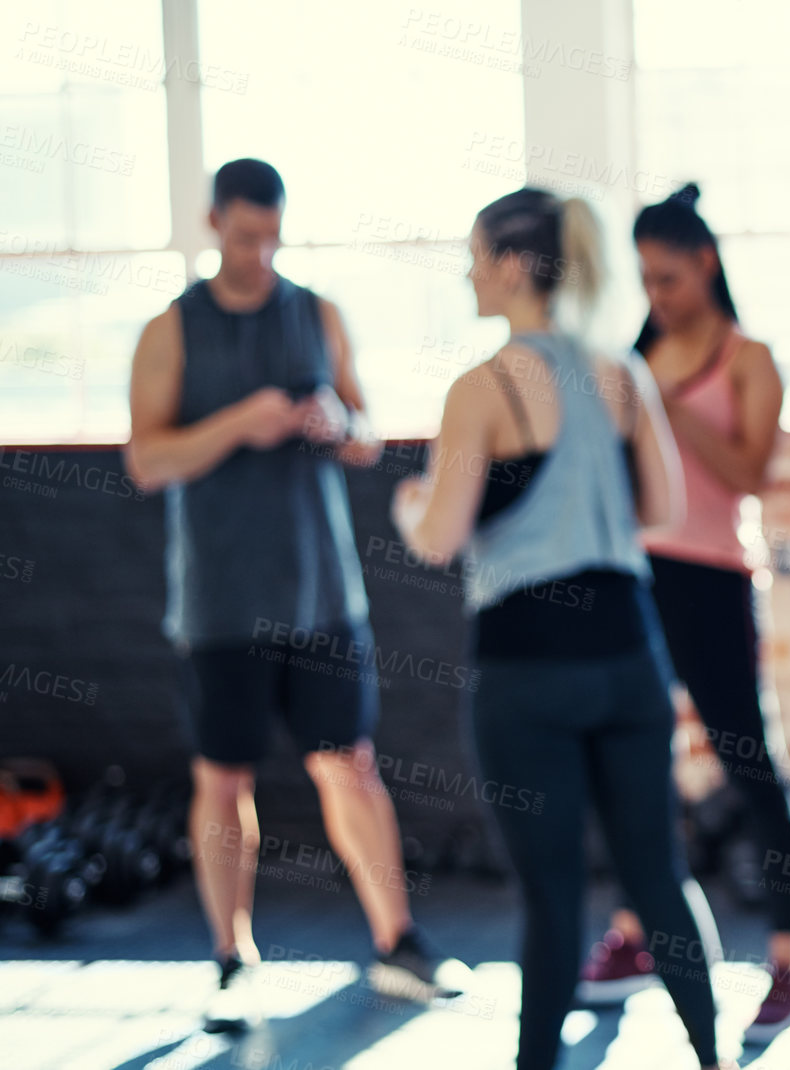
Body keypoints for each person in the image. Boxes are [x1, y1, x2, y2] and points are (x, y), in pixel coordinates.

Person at [390, 187, 734, 1070]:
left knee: (551, 899)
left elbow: (438, 539)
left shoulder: (483, 388)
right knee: (658, 875)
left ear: (510, 265)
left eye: (473, 254)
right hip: (627, 656)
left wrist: (410, 503)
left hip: (527, 671)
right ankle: (714, 1056)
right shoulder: (620, 372)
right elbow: (659, 508)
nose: (466, 271)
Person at [124, 158, 463, 1034]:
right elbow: (146, 460)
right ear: (213, 225)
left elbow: (363, 431)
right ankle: (232, 960)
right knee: (223, 775)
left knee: (350, 763)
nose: (259, 250)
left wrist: (331, 423)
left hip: (321, 594)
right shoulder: (172, 331)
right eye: (243, 236)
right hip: (219, 603)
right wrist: (241, 422)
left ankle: (399, 943)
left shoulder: (318, 312)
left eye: (272, 234)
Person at [575, 183, 790, 1041]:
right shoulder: (636, 352)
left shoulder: (748, 358)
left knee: (750, 768)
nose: (656, 297)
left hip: (712, 580)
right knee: (635, 765)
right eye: (644, 280)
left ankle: (783, 963)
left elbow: (751, 472)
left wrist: (664, 405)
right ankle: (640, 933)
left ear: (705, 264)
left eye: (668, 278)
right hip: (635, 580)